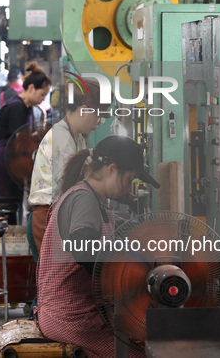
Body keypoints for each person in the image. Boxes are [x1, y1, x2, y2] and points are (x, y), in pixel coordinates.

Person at [36, 135, 159, 358]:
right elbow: (85, 252)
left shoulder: (88, 197)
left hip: (70, 315)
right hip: (71, 318)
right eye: (129, 179)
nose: (128, 187)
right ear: (111, 170)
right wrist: (129, 279)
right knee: (145, 355)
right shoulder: (84, 199)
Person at [27, 79, 109, 261]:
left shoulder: (76, 138)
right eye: (98, 115)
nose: (100, 122)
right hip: (46, 218)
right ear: (83, 110)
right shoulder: (62, 139)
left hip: (55, 216)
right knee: (55, 282)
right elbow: (67, 189)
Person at [0, 62, 51, 198]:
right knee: (5, 201)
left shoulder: (27, 107)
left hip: (9, 159)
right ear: (31, 88)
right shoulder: (17, 108)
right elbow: (20, 141)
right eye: (42, 94)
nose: (43, 99)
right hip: (2, 160)